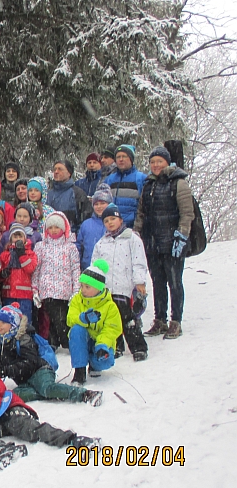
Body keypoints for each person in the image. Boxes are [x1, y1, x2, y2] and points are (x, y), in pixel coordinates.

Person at [133, 146, 194, 340]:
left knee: (174, 282)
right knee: (157, 282)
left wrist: (182, 235)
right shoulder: (149, 184)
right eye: (153, 162)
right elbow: (142, 213)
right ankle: (160, 319)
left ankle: (176, 321)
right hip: (152, 241)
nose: (156, 165)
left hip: (173, 241)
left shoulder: (178, 182)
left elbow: (187, 213)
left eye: (159, 161)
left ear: (167, 162)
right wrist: (137, 233)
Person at [0, 304, 102, 406]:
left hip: (40, 370)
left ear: (13, 323)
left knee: (47, 388)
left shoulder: (23, 339)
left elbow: (30, 363)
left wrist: (7, 370)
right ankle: (46, 393)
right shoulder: (1, 341)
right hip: (25, 379)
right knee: (15, 395)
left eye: (3, 322)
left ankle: (84, 394)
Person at [92, 203, 149, 361]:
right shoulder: (101, 243)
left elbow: (139, 262)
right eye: (106, 221)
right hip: (107, 289)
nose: (110, 223)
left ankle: (138, 347)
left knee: (128, 319)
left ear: (120, 219)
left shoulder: (132, 239)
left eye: (113, 219)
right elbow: (95, 265)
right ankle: (116, 346)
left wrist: (139, 282)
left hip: (125, 287)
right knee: (111, 319)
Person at [67, 259, 122, 384]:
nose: (83, 290)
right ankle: (79, 370)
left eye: (87, 286)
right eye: (81, 286)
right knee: (76, 330)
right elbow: (70, 319)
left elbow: (112, 329)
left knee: (104, 360)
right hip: (83, 340)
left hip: (100, 341)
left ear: (98, 288)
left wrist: (102, 345)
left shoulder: (110, 306)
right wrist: (82, 319)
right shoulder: (77, 300)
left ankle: (94, 364)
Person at [33, 212, 80, 349]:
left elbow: (75, 269)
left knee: (61, 316)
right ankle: (56, 340)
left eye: (57, 227)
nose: (53, 230)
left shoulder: (70, 247)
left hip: (65, 288)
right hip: (47, 288)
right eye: (50, 227)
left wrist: (76, 289)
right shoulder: (41, 246)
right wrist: (34, 289)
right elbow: (37, 269)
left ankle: (61, 339)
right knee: (52, 316)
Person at [0, 225, 38, 324]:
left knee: (24, 322)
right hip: (8, 293)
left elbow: (30, 269)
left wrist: (22, 255)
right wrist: (2, 274)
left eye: (20, 236)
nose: (18, 239)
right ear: (11, 238)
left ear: (25, 238)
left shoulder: (30, 254)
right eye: (15, 237)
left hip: (24, 295)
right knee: (9, 322)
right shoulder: (5, 254)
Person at [104, 144, 147, 228]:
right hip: (112, 227)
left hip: (132, 227)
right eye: (118, 157)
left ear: (131, 159)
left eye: (124, 156)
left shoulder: (140, 178)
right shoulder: (110, 179)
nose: (121, 159)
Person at [47, 160, 92, 235]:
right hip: (50, 240)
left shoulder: (78, 193)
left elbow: (85, 220)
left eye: (60, 169)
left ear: (69, 173)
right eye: (54, 169)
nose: (56, 172)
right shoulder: (48, 194)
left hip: (70, 239)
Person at [76, 184, 112, 270]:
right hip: (88, 268)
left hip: (109, 269)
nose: (99, 207)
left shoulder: (114, 224)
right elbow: (79, 246)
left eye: (103, 203)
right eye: (96, 204)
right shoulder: (86, 224)